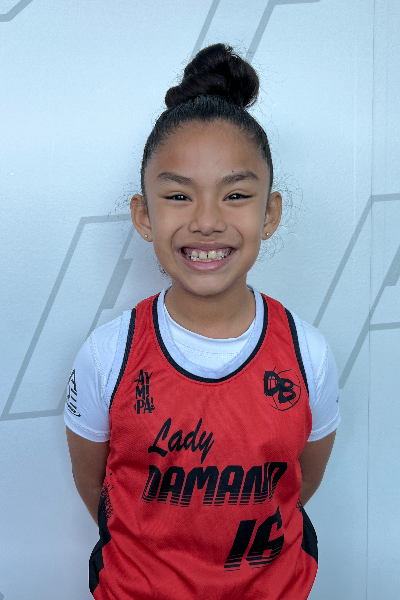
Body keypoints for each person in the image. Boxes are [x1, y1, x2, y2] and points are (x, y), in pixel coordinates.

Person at [65, 43, 340, 600]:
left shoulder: (307, 354)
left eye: (236, 194)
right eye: (178, 195)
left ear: (269, 213)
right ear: (144, 215)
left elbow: (300, 481)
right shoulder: (107, 356)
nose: (208, 221)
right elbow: (97, 488)